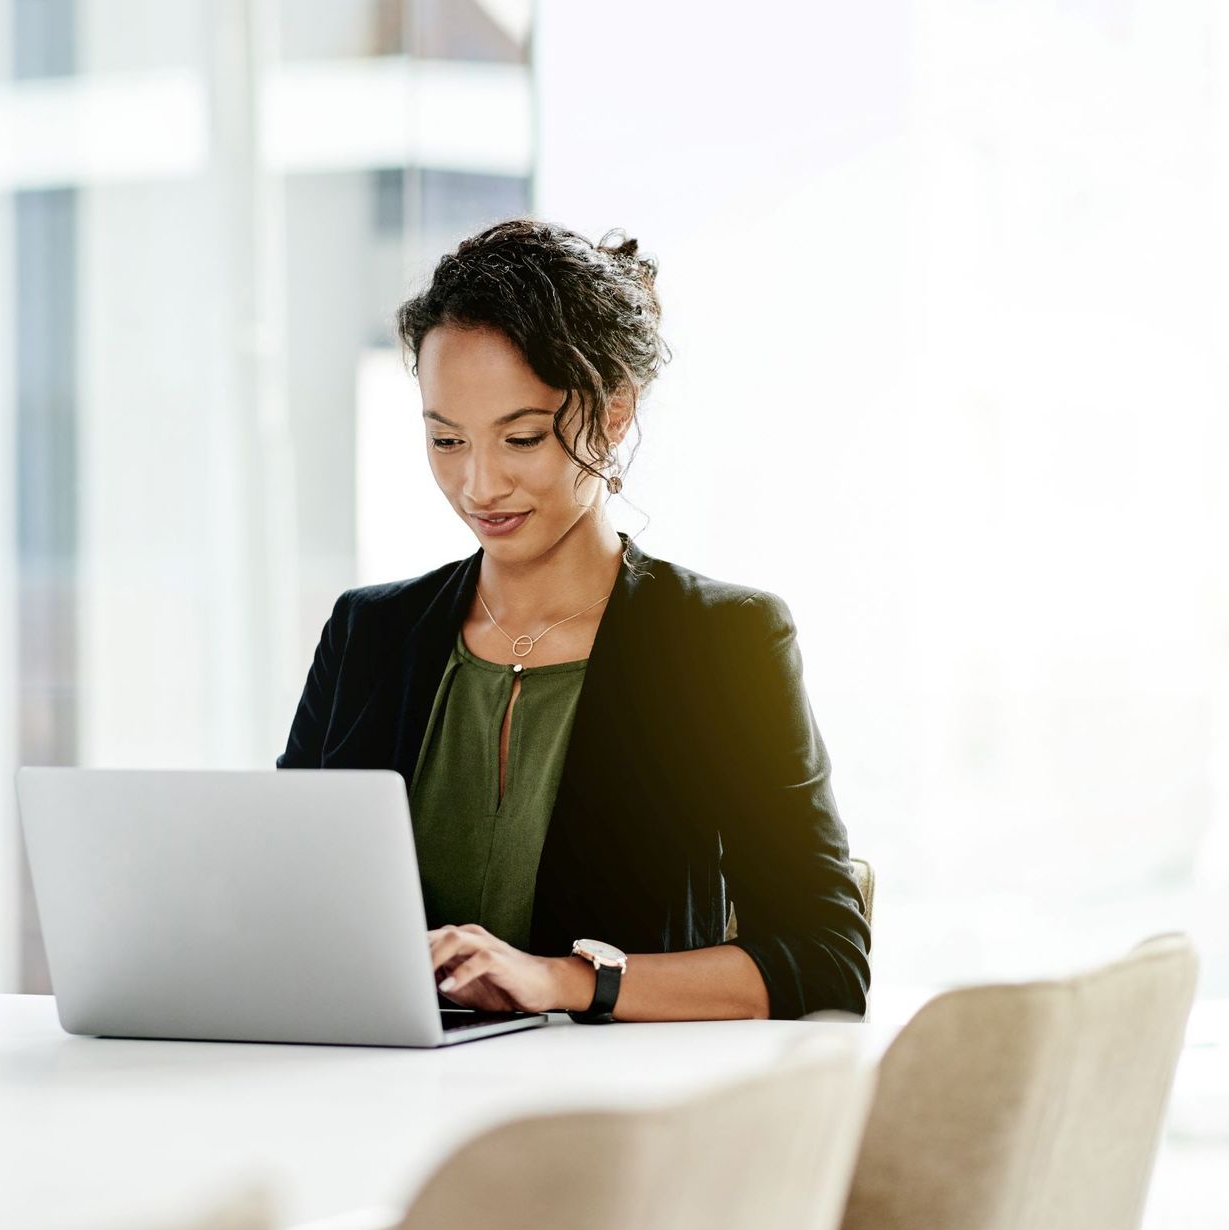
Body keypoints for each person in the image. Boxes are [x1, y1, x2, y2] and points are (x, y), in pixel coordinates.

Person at [277, 218, 868, 1022]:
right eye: (446, 440)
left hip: (605, 1115)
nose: (479, 485)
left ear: (615, 413)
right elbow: (286, 905)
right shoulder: (368, 634)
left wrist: (563, 980)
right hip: (382, 1091)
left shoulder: (723, 644)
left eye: (520, 438)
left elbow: (825, 960)